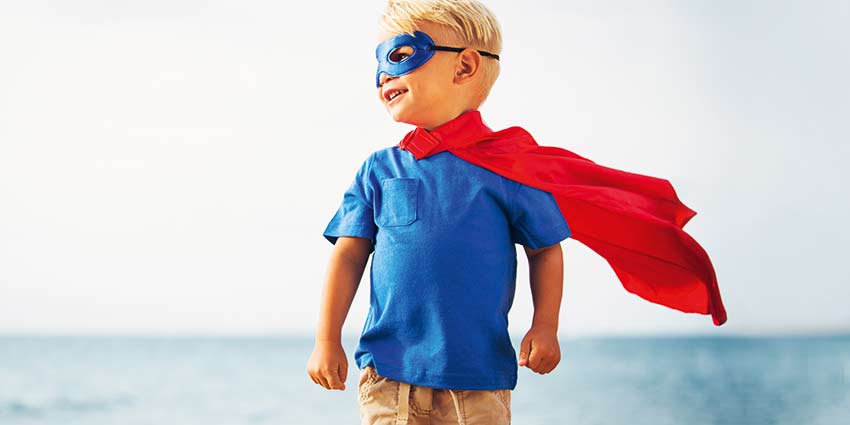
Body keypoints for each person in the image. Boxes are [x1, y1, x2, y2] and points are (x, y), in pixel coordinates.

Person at [307, 0, 726, 424]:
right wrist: (327, 339)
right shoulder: (378, 170)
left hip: (478, 376)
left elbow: (545, 249)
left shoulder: (508, 169)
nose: (385, 74)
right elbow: (348, 253)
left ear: (465, 67)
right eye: (379, 63)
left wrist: (545, 326)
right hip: (388, 373)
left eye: (399, 55)